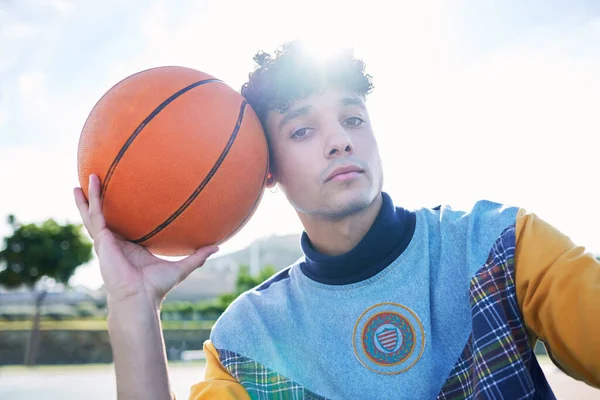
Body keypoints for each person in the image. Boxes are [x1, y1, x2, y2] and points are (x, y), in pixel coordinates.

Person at [74, 40, 600, 400]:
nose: (340, 139)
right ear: (265, 170)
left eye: (353, 119)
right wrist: (133, 304)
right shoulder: (250, 340)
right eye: (302, 131)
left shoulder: (500, 243)